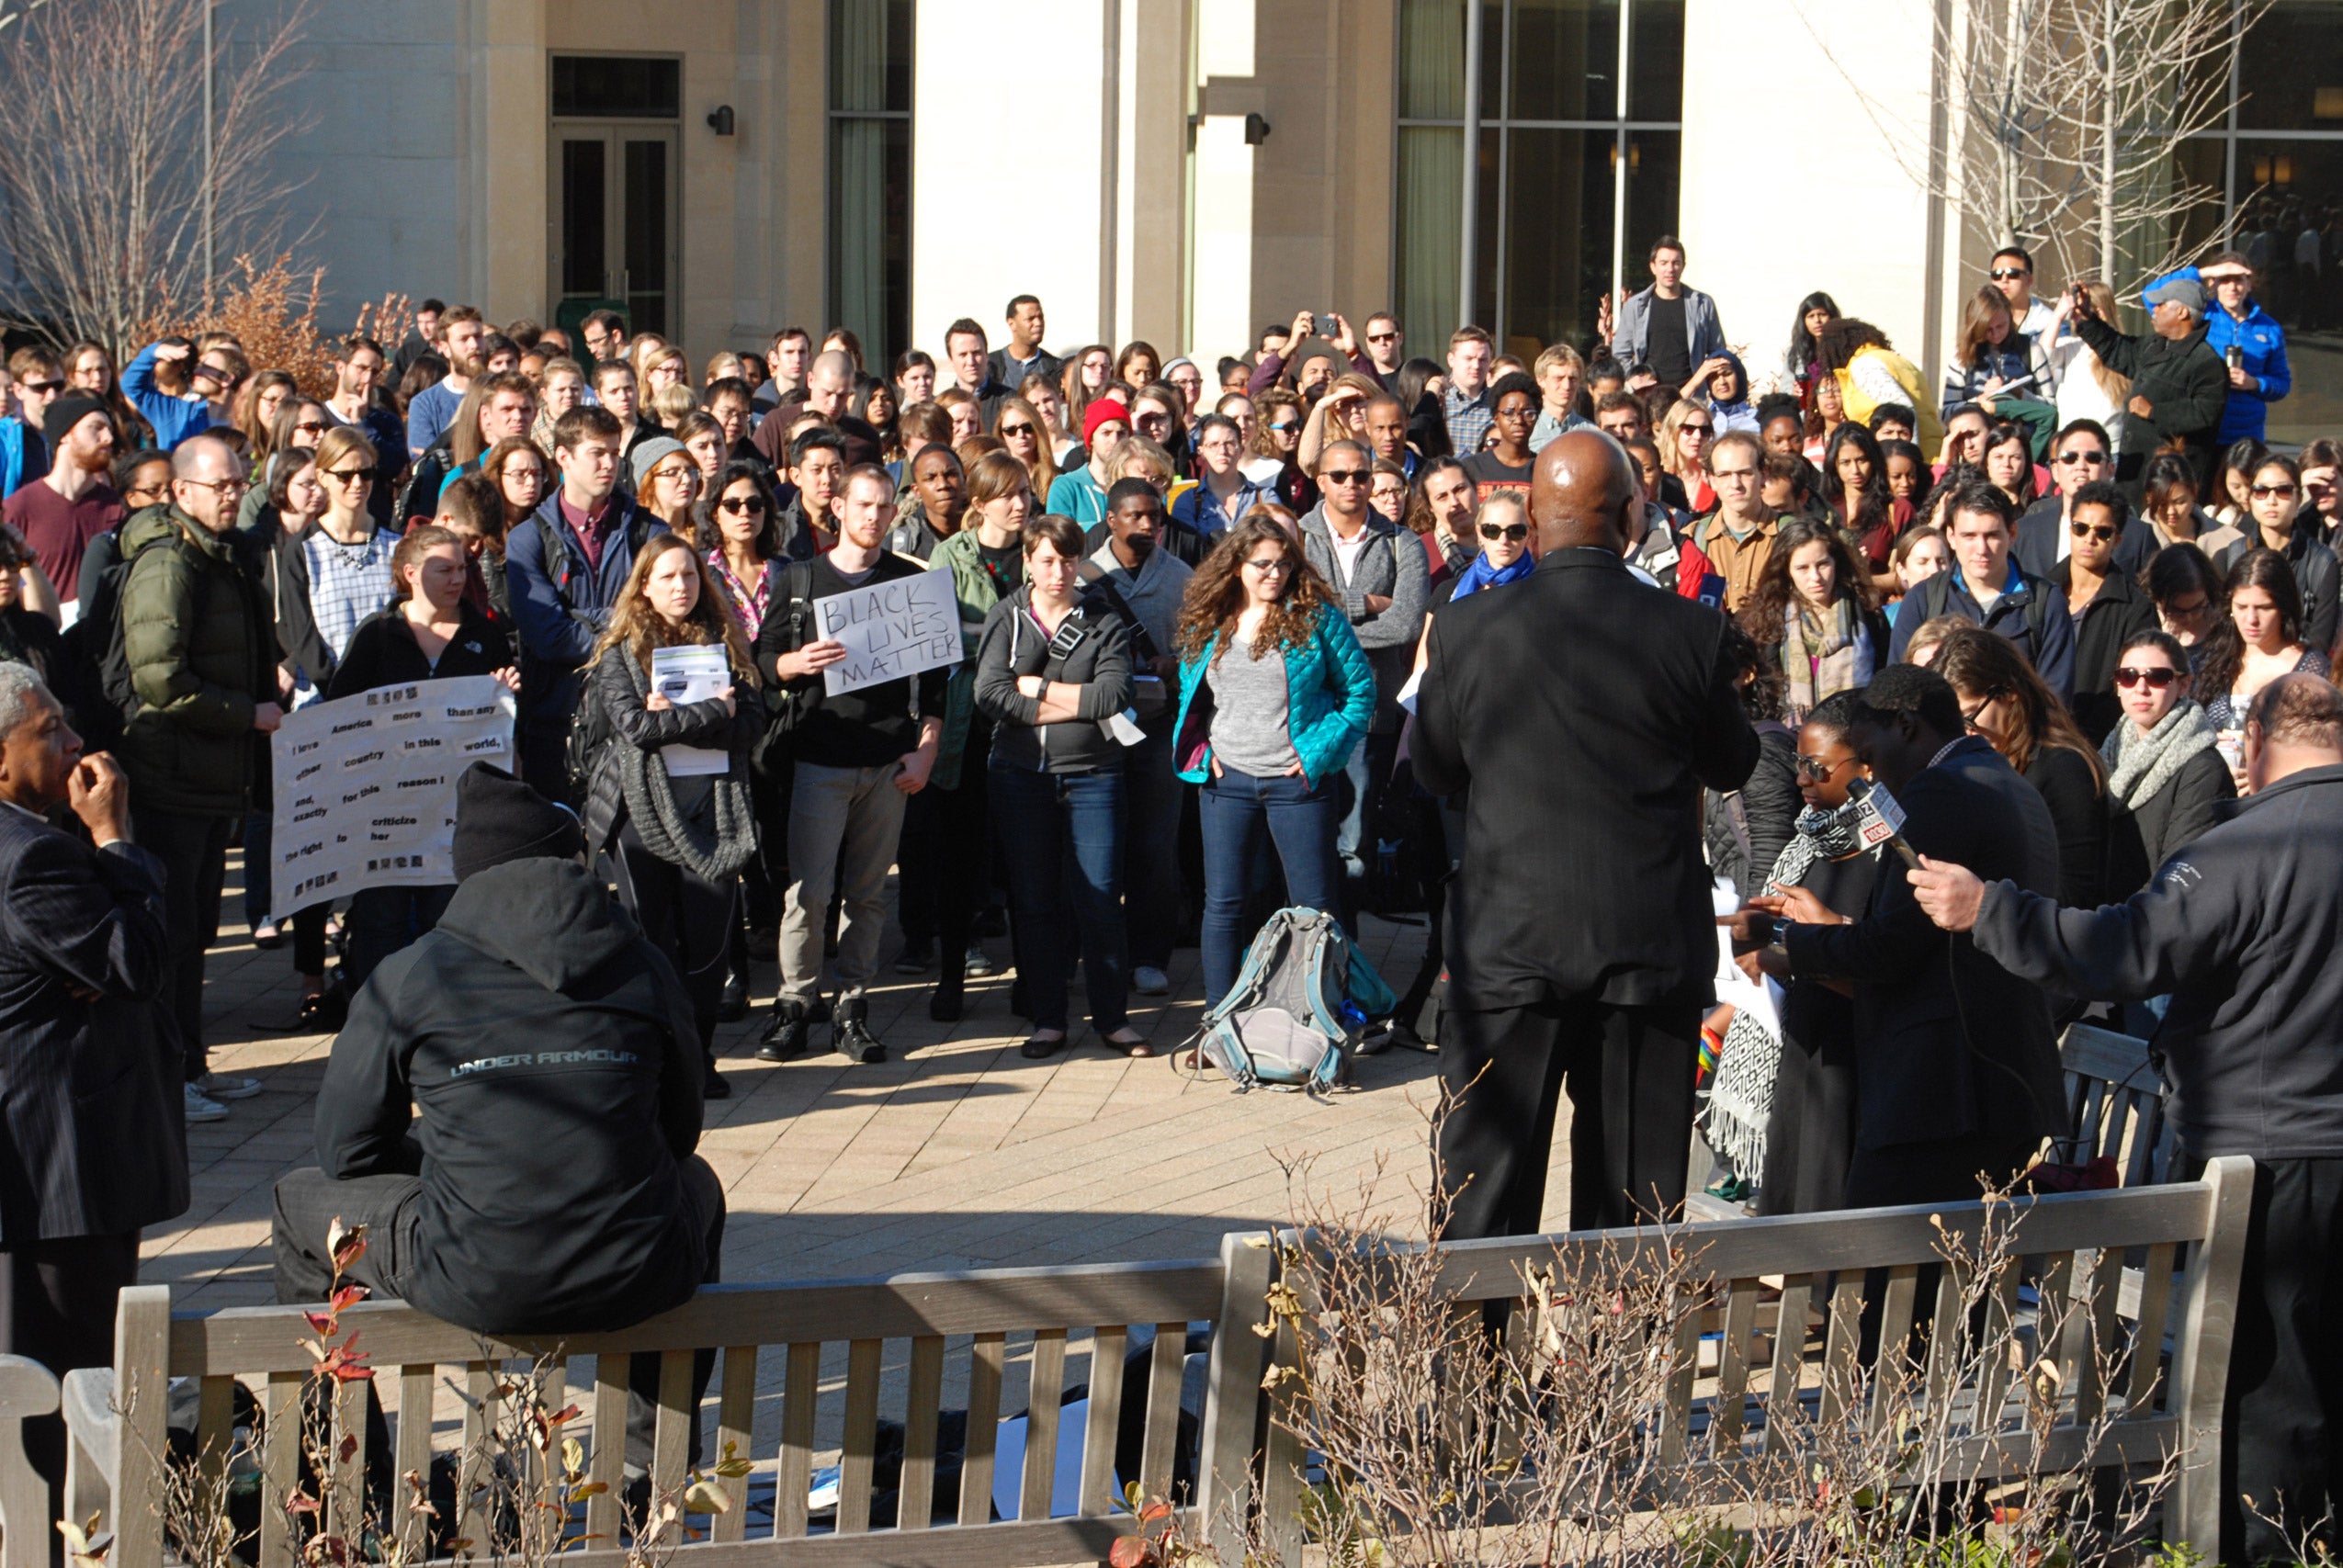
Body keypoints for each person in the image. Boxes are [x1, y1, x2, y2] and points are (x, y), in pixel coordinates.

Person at [1906, 672, 2343, 1566]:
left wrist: (1992, 908)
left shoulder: (2247, 845)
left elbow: (2121, 949)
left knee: (2263, 1391)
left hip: (2271, 1159)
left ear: (2255, 741)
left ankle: (2269, 1554)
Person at [272, 762, 723, 1471]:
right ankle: (651, 1463)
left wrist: (449, 1163)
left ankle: (347, 1472)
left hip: (470, 1270)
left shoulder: (412, 971)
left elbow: (346, 1150)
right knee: (695, 1183)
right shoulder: (642, 961)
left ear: (469, 876)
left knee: (297, 1200)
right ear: (571, 861)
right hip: (639, 1270)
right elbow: (680, 1134)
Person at [1417, 430, 1759, 1236]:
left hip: (1510, 944)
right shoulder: (1689, 631)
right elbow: (1736, 760)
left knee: (1483, 1200)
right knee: (1632, 1208)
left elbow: (1433, 772)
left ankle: (1473, 1366)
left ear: (1532, 519)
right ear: (1633, 516)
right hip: (1642, 949)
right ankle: (1612, 1367)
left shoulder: (1466, 629)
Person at [1757, 663, 2065, 1206]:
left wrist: (1789, 950)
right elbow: (1928, 935)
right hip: (1997, 1081)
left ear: (1904, 724)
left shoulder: (1941, 790)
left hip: (1946, 1089)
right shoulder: (2003, 778)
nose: (1866, 771)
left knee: (1872, 1273)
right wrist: (1834, 929)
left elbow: (1888, 952)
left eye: (1868, 751)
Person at [0, 665, 184, 1525]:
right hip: (64, 1172)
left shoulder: (32, 840)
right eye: (50, 732)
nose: (77, 744)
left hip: (37, 1162)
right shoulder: (34, 857)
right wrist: (113, 840)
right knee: (68, 1376)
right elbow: (141, 962)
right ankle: (72, 1531)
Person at [754, 467, 945, 1066]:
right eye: (863, 505)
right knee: (807, 893)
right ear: (837, 507)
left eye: (884, 506)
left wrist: (928, 746)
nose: (873, 516)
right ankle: (794, 1004)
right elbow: (761, 658)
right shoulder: (801, 578)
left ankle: (851, 1006)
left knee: (866, 896)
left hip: (886, 762)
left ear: (894, 513)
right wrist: (793, 663)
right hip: (819, 756)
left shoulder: (909, 581)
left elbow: (937, 679)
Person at [117, 434, 279, 1120]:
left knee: (197, 930)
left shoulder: (223, 557)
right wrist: (245, 713)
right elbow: (159, 677)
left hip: (212, 777)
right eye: (220, 485)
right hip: (171, 777)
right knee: (172, 933)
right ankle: (166, 1075)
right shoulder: (169, 564)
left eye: (240, 482)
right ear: (180, 491)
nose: (233, 493)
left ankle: (192, 1061)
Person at [582, 535, 762, 1100]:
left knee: (707, 950)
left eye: (688, 576)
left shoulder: (726, 645)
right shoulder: (619, 654)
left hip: (713, 812)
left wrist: (686, 716)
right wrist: (715, 709)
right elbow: (637, 728)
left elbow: (752, 725)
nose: (680, 587)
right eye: (667, 578)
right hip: (640, 817)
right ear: (644, 587)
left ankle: (697, 1057)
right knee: (650, 947)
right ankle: (653, 1059)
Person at [1172, 510, 1375, 1009]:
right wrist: (1202, 748)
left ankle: (1322, 1018)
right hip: (1227, 782)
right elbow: (1191, 691)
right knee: (1223, 905)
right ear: (1236, 565)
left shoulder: (1316, 617)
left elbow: (1360, 692)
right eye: (1262, 564)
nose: (1274, 574)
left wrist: (1318, 752)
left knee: (1314, 908)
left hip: (1296, 784)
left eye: (1284, 565)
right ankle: (1218, 1020)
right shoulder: (1212, 619)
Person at [975, 512, 1149, 1059]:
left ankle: (1113, 1019)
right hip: (1020, 776)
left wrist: (1038, 691)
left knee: (1099, 899)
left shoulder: (1103, 620)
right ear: (1027, 562)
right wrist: (1065, 706)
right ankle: (1049, 1019)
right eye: (1047, 560)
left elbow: (1114, 698)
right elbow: (990, 696)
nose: (1058, 571)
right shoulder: (1008, 617)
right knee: (1036, 902)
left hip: (1094, 775)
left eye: (1068, 560)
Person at [1737, 692, 1882, 1216]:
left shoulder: (1890, 846)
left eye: (1815, 768)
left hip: (1851, 1062)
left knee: (1826, 1210)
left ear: (1866, 764)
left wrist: (1796, 950)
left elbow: (1879, 957)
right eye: (1799, 764)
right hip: (1805, 1046)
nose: (1801, 779)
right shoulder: (1816, 833)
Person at [505, 405, 662, 799]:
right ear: (563, 457)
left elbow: (661, 625)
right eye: (597, 452)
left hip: (633, 718)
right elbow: (549, 638)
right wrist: (621, 625)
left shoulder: (649, 531)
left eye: (614, 452)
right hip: (555, 722)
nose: (609, 463)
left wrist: (581, 618)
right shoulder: (529, 539)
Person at [1296, 439, 1430, 896]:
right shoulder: (1297, 537)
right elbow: (1294, 616)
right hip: (1306, 711)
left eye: (1361, 476)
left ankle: (1347, 949)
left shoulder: (1401, 542)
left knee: (1355, 843)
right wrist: (1366, 604)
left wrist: (1329, 624)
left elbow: (1407, 622)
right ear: (1321, 482)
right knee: (1308, 837)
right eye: (1340, 476)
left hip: (1370, 709)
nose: (1351, 484)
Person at [1090, 478, 1194, 1001]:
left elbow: (1205, 649)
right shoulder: (1086, 575)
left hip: (1157, 729)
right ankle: (1104, 954)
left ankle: (1151, 955)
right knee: (1101, 845)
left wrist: (1179, 664)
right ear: (1111, 520)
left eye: (1156, 516)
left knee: (1155, 845)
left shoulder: (1181, 579)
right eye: (1136, 516)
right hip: (1098, 729)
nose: (1149, 525)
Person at [1933, 626, 2107, 910]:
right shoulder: (1971, 765)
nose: (1964, 732)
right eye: (1953, 722)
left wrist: (1982, 902)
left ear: (2009, 693)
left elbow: (2077, 895)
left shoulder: (2064, 769)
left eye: (1970, 716)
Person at [1888, 480, 2074, 701]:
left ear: (2012, 534)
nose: (1981, 549)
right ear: (1951, 537)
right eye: (1969, 536)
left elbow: (2055, 698)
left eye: (1992, 535)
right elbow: (1897, 688)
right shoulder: (1923, 599)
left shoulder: (2045, 602)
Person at [2096, 627, 2231, 905]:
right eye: (2128, 676)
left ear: (2184, 685)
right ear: (2117, 685)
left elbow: (2181, 874)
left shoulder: (2204, 768)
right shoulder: (2103, 757)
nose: (2141, 688)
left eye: (2158, 677)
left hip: (2149, 926)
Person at [2068, 276, 2228, 486]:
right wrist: (2087, 319)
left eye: (2162, 305)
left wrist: (2154, 412)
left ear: (2182, 312)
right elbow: (2118, 348)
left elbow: (2206, 412)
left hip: (2170, 480)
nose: (2155, 310)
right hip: (2133, 470)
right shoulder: (2153, 345)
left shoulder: (2207, 362)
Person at [2044, 479, 2160, 745]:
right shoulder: (2039, 593)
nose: (2090, 538)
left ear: (2116, 540)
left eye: (2103, 532)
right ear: (2069, 529)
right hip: (2037, 737)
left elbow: (2135, 688)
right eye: (2081, 528)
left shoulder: (2136, 609)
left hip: (2099, 744)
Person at [1739, 516, 1886, 718]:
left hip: (1863, 731)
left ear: (1836, 562)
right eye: (1802, 568)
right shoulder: (1769, 621)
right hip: (1792, 737)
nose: (1815, 577)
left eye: (1823, 564)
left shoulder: (1868, 615)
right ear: (1786, 571)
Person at [2142, 252, 2290, 446]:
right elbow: (2151, 294)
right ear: (2213, 283)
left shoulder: (2269, 329)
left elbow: (2282, 383)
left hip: (2246, 435)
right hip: (2199, 431)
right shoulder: (2200, 315)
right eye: (2224, 280)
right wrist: (2204, 272)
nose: (2232, 287)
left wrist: (2254, 383)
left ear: (2249, 284)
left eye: (2238, 280)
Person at [4, 393, 121, 626]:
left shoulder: (118, 508)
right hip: (45, 639)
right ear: (65, 435)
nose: (108, 438)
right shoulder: (19, 508)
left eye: (109, 429)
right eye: (95, 428)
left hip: (104, 643)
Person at [2216, 453, 2340, 654]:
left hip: (2300, 673)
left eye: (2283, 491)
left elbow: (2320, 643)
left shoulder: (2323, 563)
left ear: (2299, 497)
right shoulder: (2229, 558)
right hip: (2238, 668)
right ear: (2250, 498)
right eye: (2261, 491)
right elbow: (2219, 631)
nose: (2271, 500)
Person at [1602, 235, 1726, 394]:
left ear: (1683, 266)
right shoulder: (1636, 306)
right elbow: (1620, 352)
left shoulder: (1702, 304)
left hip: (1691, 398)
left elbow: (1718, 352)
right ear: (1653, 267)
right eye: (1664, 263)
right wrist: (1635, 381)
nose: (1670, 269)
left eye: (1676, 263)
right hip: (1649, 397)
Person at [1691, 432, 1778, 613]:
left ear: (1763, 474)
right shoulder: (1692, 539)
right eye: (1724, 475)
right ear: (1711, 480)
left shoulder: (1791, 535)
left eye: (1745, 473)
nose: (1735, 484)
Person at [402, 305, 485, 459]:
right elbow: (427, 465)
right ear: (445, 348)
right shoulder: (425, 404)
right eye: (464, 339)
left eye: (478, 336)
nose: (474, 345)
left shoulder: (501, 393)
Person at [1174, 412, 1272, 538]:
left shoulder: (1263, 497)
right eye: (1213, 445)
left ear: (1241, 450)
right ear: (1201, 452)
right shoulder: (1188, 501)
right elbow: (1184, 550)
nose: (1222, 451)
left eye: (1230, 444)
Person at [1461, 372, 1537, 496]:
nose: (1519, 420)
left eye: (1528, 413)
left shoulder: (1542, 469)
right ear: (1496, 419)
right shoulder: (1472, 468)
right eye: (1509, 413)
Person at [1440, 326, 1497, 457]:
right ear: (1451, 360)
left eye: (1483, 360)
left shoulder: (1498, 404)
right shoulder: (1437, 402)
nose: (1476, 366)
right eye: (1469, 359)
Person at [1528, 343, 1592, 452]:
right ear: (1541, 380)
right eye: (1558, 378)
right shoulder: (1527, 430)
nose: (1566, 386)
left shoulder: (1592, 434)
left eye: (1572, 379)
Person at [990, 295, 1061, 390]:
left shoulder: (1056, 367)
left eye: (1040, 317)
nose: (1038, 323)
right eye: (1030, 319)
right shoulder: (991, 365)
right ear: (1012, 324)